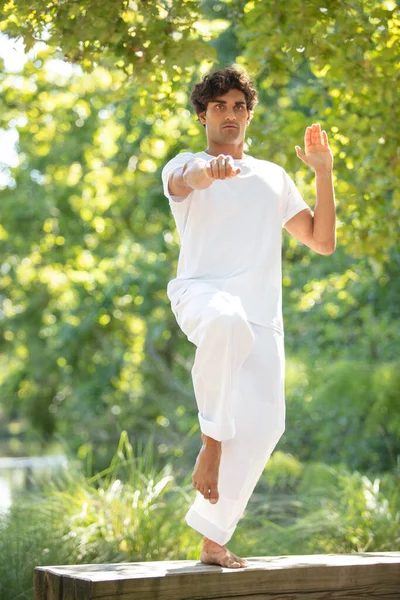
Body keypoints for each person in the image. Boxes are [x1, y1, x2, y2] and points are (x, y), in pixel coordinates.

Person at [161, 66, 336, 569]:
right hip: (201, 296)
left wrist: (323, 171)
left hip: (263, 316)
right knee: (225, 321)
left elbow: (321, 241)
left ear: (249, 114)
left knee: (266, 426)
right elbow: (182, 181)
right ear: (203, 115)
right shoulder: (186, 162)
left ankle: (213, 537)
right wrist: (206, 172)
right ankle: (210, 444)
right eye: (220, 106)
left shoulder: (273, 177)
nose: (231, 114)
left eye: (239, 106)